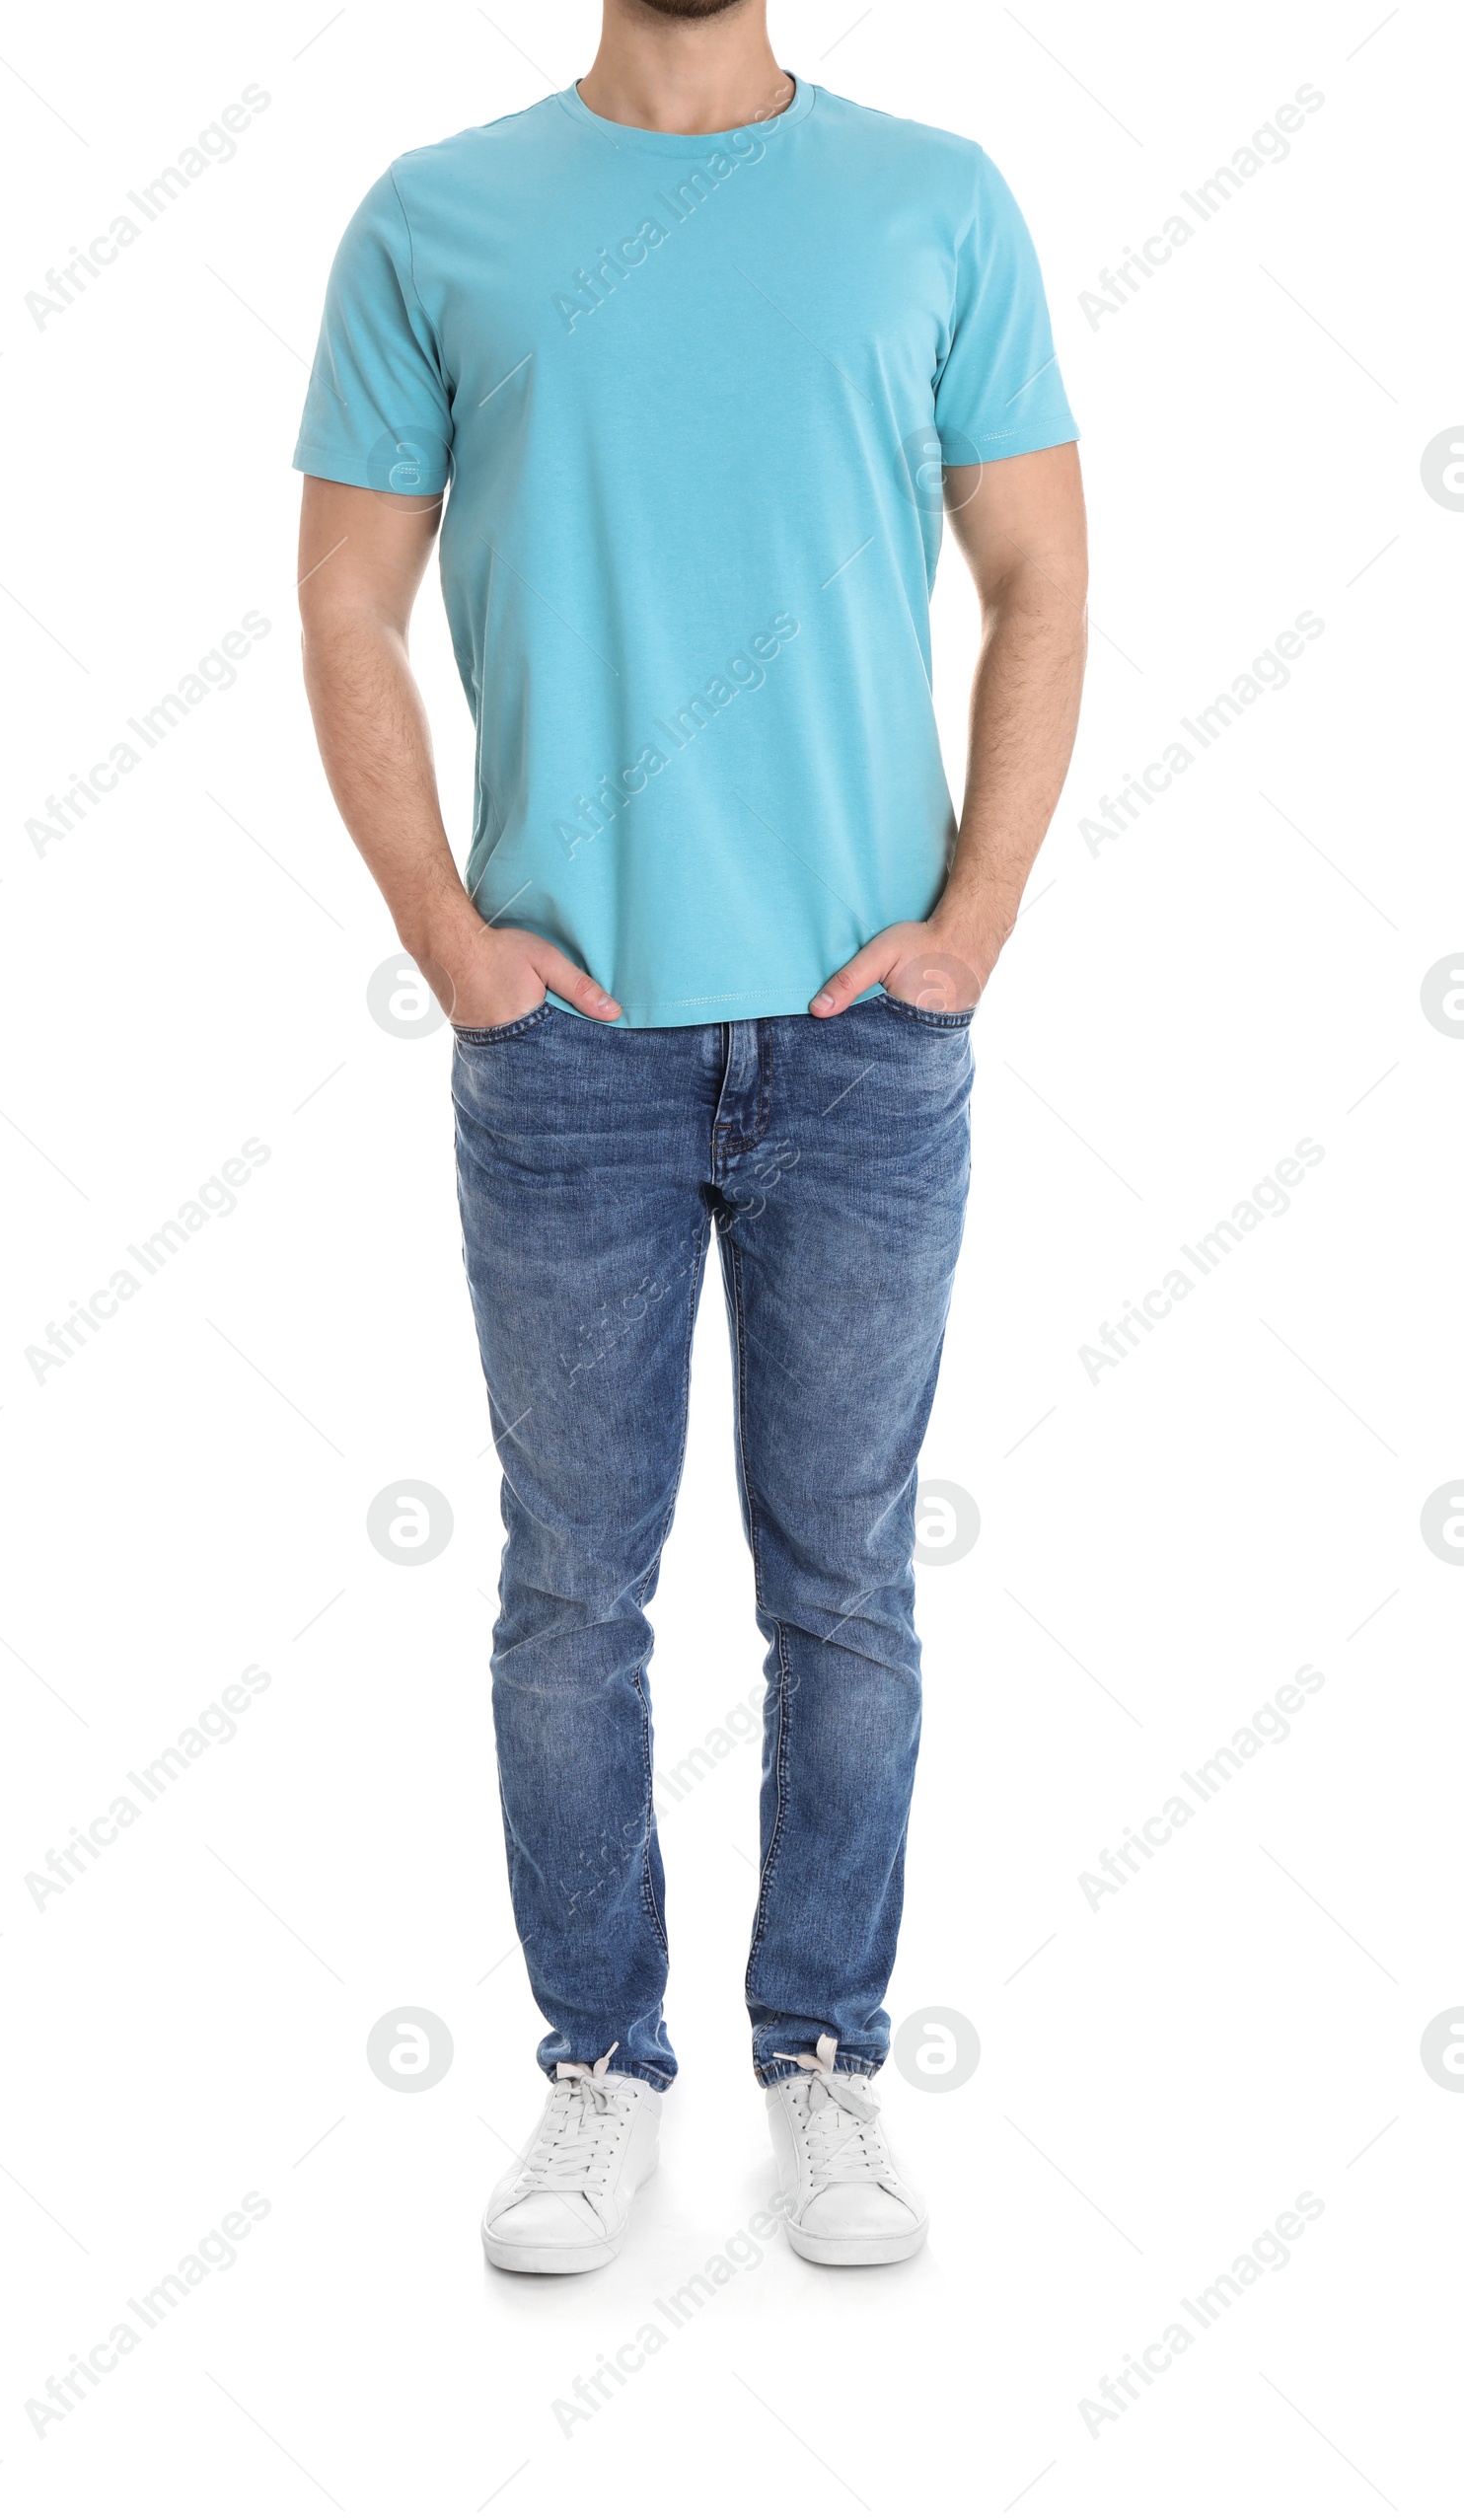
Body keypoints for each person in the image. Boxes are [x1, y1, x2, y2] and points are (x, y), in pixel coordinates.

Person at [295, 0, 1086, 2273]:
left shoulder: (932, 200)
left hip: (861, 1039)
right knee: (571, 1588)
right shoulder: (435, 216)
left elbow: (1038, 571)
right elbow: (345, 594)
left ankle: (821, 2054)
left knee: (845, 1582)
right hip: (573, 1043)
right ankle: (596, 2065)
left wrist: (977, 918)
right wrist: (449, 939)